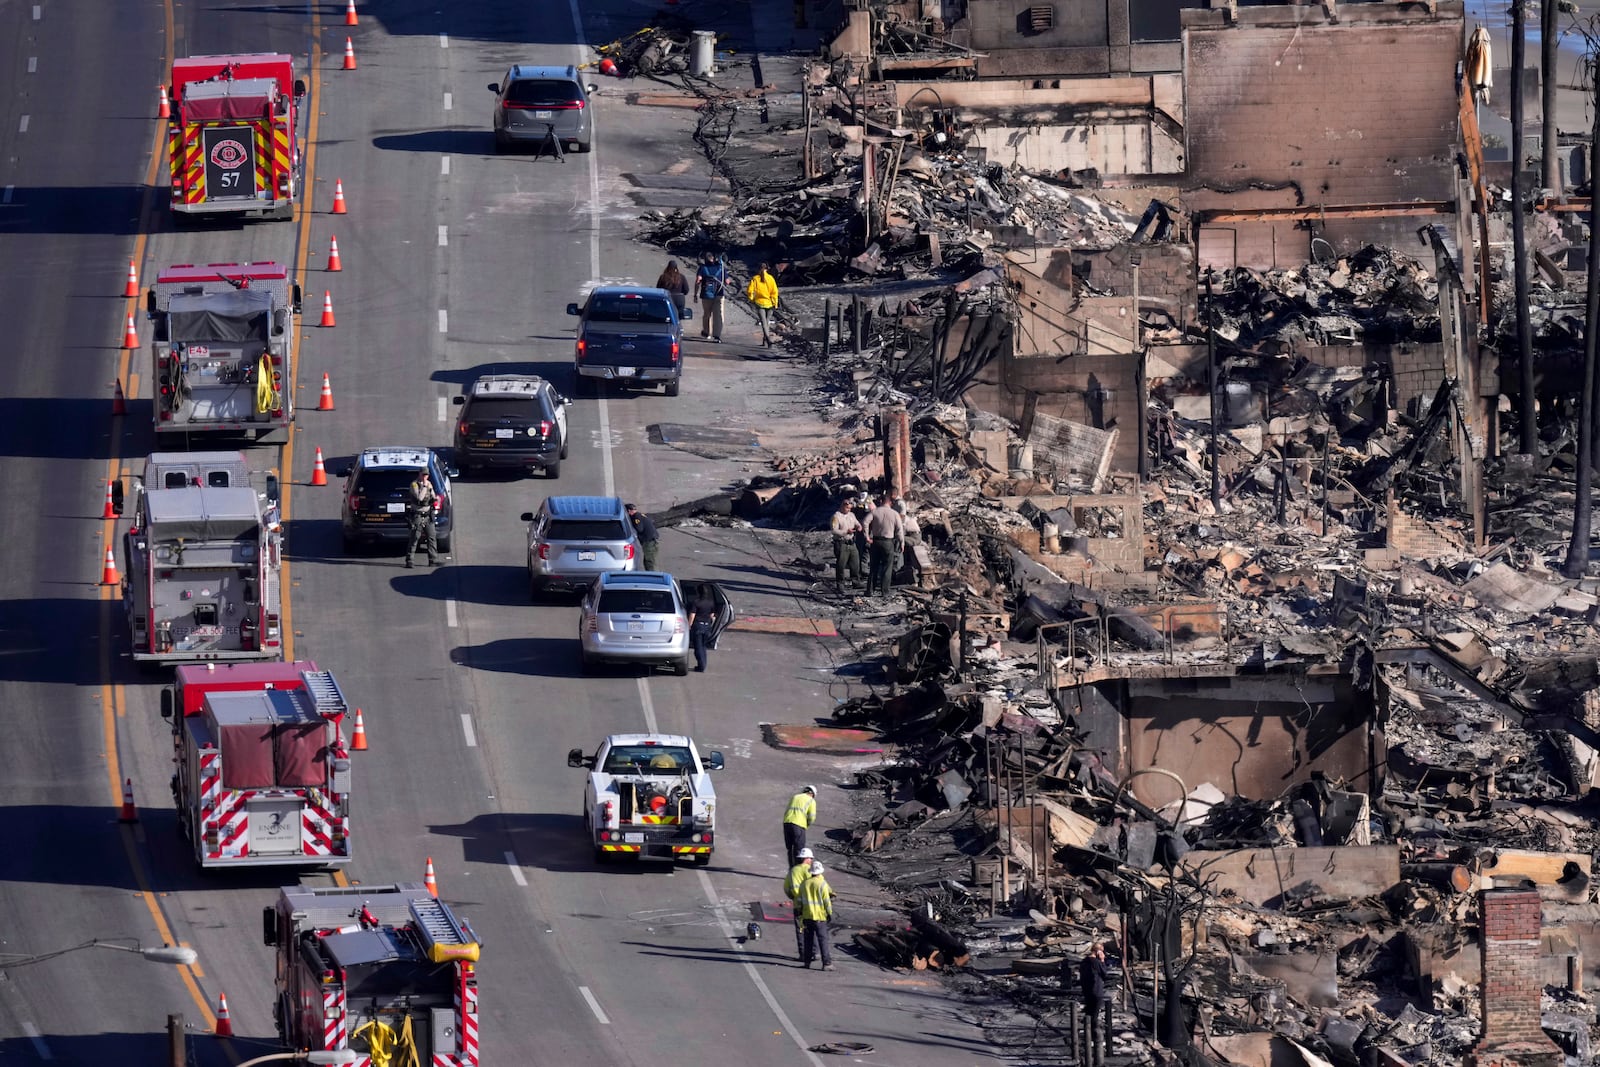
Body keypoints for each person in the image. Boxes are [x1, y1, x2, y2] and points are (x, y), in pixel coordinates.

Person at [863, 494, 903, 597]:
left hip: (875, 541)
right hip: (888, 542)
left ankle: (870, 590)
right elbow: (899, 530)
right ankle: (885, 592)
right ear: (890, 502)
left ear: (881, 501)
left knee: (874, 566)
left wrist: (867, 536)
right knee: (887, 567)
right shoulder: (894, 514)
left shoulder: (875, 511)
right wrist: (901, 542)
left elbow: (865, 522)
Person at [799, 861, 835, 970]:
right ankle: (827, 963)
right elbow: (826, 902)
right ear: (820, 872)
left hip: (807, 916)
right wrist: (829, 913)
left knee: (808, 941)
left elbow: (800, 900)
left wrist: (801, 913)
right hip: (820, 917)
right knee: (823, 940)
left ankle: (807, 962)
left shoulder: (804, 884)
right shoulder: (822, 884)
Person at [1080, 941, 1109, 1067]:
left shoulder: (1084, 962)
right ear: (1097, 952)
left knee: (1089, 1013)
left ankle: (1088, 1036)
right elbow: (1105, 973)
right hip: (1097, 991)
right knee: (1095, 1016)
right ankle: (1094, 1038)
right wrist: (1102, 960)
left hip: (1087, 991)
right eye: (1102, 951)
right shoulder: (1096, 962)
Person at [783, 847, 815, 961]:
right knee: (812, 928)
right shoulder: (812, 871)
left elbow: (787, 887)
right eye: (810, 858)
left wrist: (793, 897)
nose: (811, 860)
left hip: (799, 905)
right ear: (807, 859)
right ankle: (813, 953)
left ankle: (803, 954)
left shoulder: (794, 871)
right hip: (812, 906)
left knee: (801, 929)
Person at [404, 472, 439, 568]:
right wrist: (424, 486)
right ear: (419, 474)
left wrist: (435, 499)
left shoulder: (429, 483)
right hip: (417, 515)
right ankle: (409, 560)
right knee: (415, 537)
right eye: (423, 475)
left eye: (427, 475)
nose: (425, 477)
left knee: (431, 537)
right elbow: (419, 498)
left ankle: (433, 559)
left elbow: (433, 496)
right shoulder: (414, 484)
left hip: (427, 514)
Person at [829, 497, 863, 593]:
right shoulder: (836, 516)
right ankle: (840, 584)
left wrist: (859, 526)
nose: (849, 510)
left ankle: (856, 581)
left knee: (855, 562)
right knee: (841, 565)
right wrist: (846, 532)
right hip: (841, 543)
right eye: (847, 508)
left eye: (850, 508)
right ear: (843, 506)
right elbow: (834, 530)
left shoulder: (851, 515)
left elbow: (857, 523)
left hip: (851, 542)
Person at [695, 253, 727, 342]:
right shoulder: (721, 268)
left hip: (706, 295)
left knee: (707, 314)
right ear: (714, 258)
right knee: (718, 314)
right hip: (719, 294)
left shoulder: (702, 268)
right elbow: (727, 281)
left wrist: (695, 294)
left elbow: (698, 281)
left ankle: (707, 332)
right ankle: (717, 335)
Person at [745, 262, 779, 347]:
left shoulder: (755, 279)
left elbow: (749, 291)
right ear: (767, 269)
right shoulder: (771, 278)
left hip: (759, 303)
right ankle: (765, 340)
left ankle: (767, 338)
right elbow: (774, 292)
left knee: (764, 322)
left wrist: (752, 299)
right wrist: (775, 303)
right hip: (770, 303)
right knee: (767, 322)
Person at [782, 784, 817, 866]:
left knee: (789, 848)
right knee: (799, 849)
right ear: (812, 794)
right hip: (799, 825)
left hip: (787, 823)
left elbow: (787, 810)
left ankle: (791, 870)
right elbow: (812, 817)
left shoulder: (795, 797)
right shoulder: (811, 800)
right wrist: (807, 824)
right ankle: (798, 870)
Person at [892, 498, 923, 588]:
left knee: (897, 540)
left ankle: (897, 569)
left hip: (914, 539)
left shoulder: (906, 520)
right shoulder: (903, 518)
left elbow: (912, 537)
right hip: (909, 537)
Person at [688, 585, 717, 672]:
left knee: (698, 647)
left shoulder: (696, 602)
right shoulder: (711, 602)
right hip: (706, 626)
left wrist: (689, 625)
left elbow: (692, 615)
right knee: (703, 646)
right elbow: (712, 615)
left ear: (698, 592)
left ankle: (701, 666)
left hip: (698, 626)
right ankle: (703, 664)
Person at [625, 503, 660, 571]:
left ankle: (653, 578)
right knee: (647, 561)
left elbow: (639, 528)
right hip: (651, 541)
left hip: (650, 542)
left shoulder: (636, 517)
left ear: (629, 511)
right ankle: (651, 576)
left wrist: (632, 526)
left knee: (650, 562)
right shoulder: (640, 515)